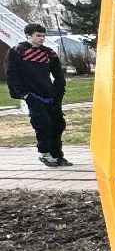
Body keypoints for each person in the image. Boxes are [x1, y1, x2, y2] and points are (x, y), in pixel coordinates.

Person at [5, 23, 71, 168]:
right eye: (38, 36)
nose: (42, 38)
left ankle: (57, 155)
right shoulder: (17, 51)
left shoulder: (49, 53)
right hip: (33, 95)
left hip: (50, 94)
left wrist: (59, 91)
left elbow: (58, 74)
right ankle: (44, 154)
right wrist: (23, 94)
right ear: (28, 36)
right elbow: (11, 74)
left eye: (43, 36)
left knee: (58, 124)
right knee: (43, 124)